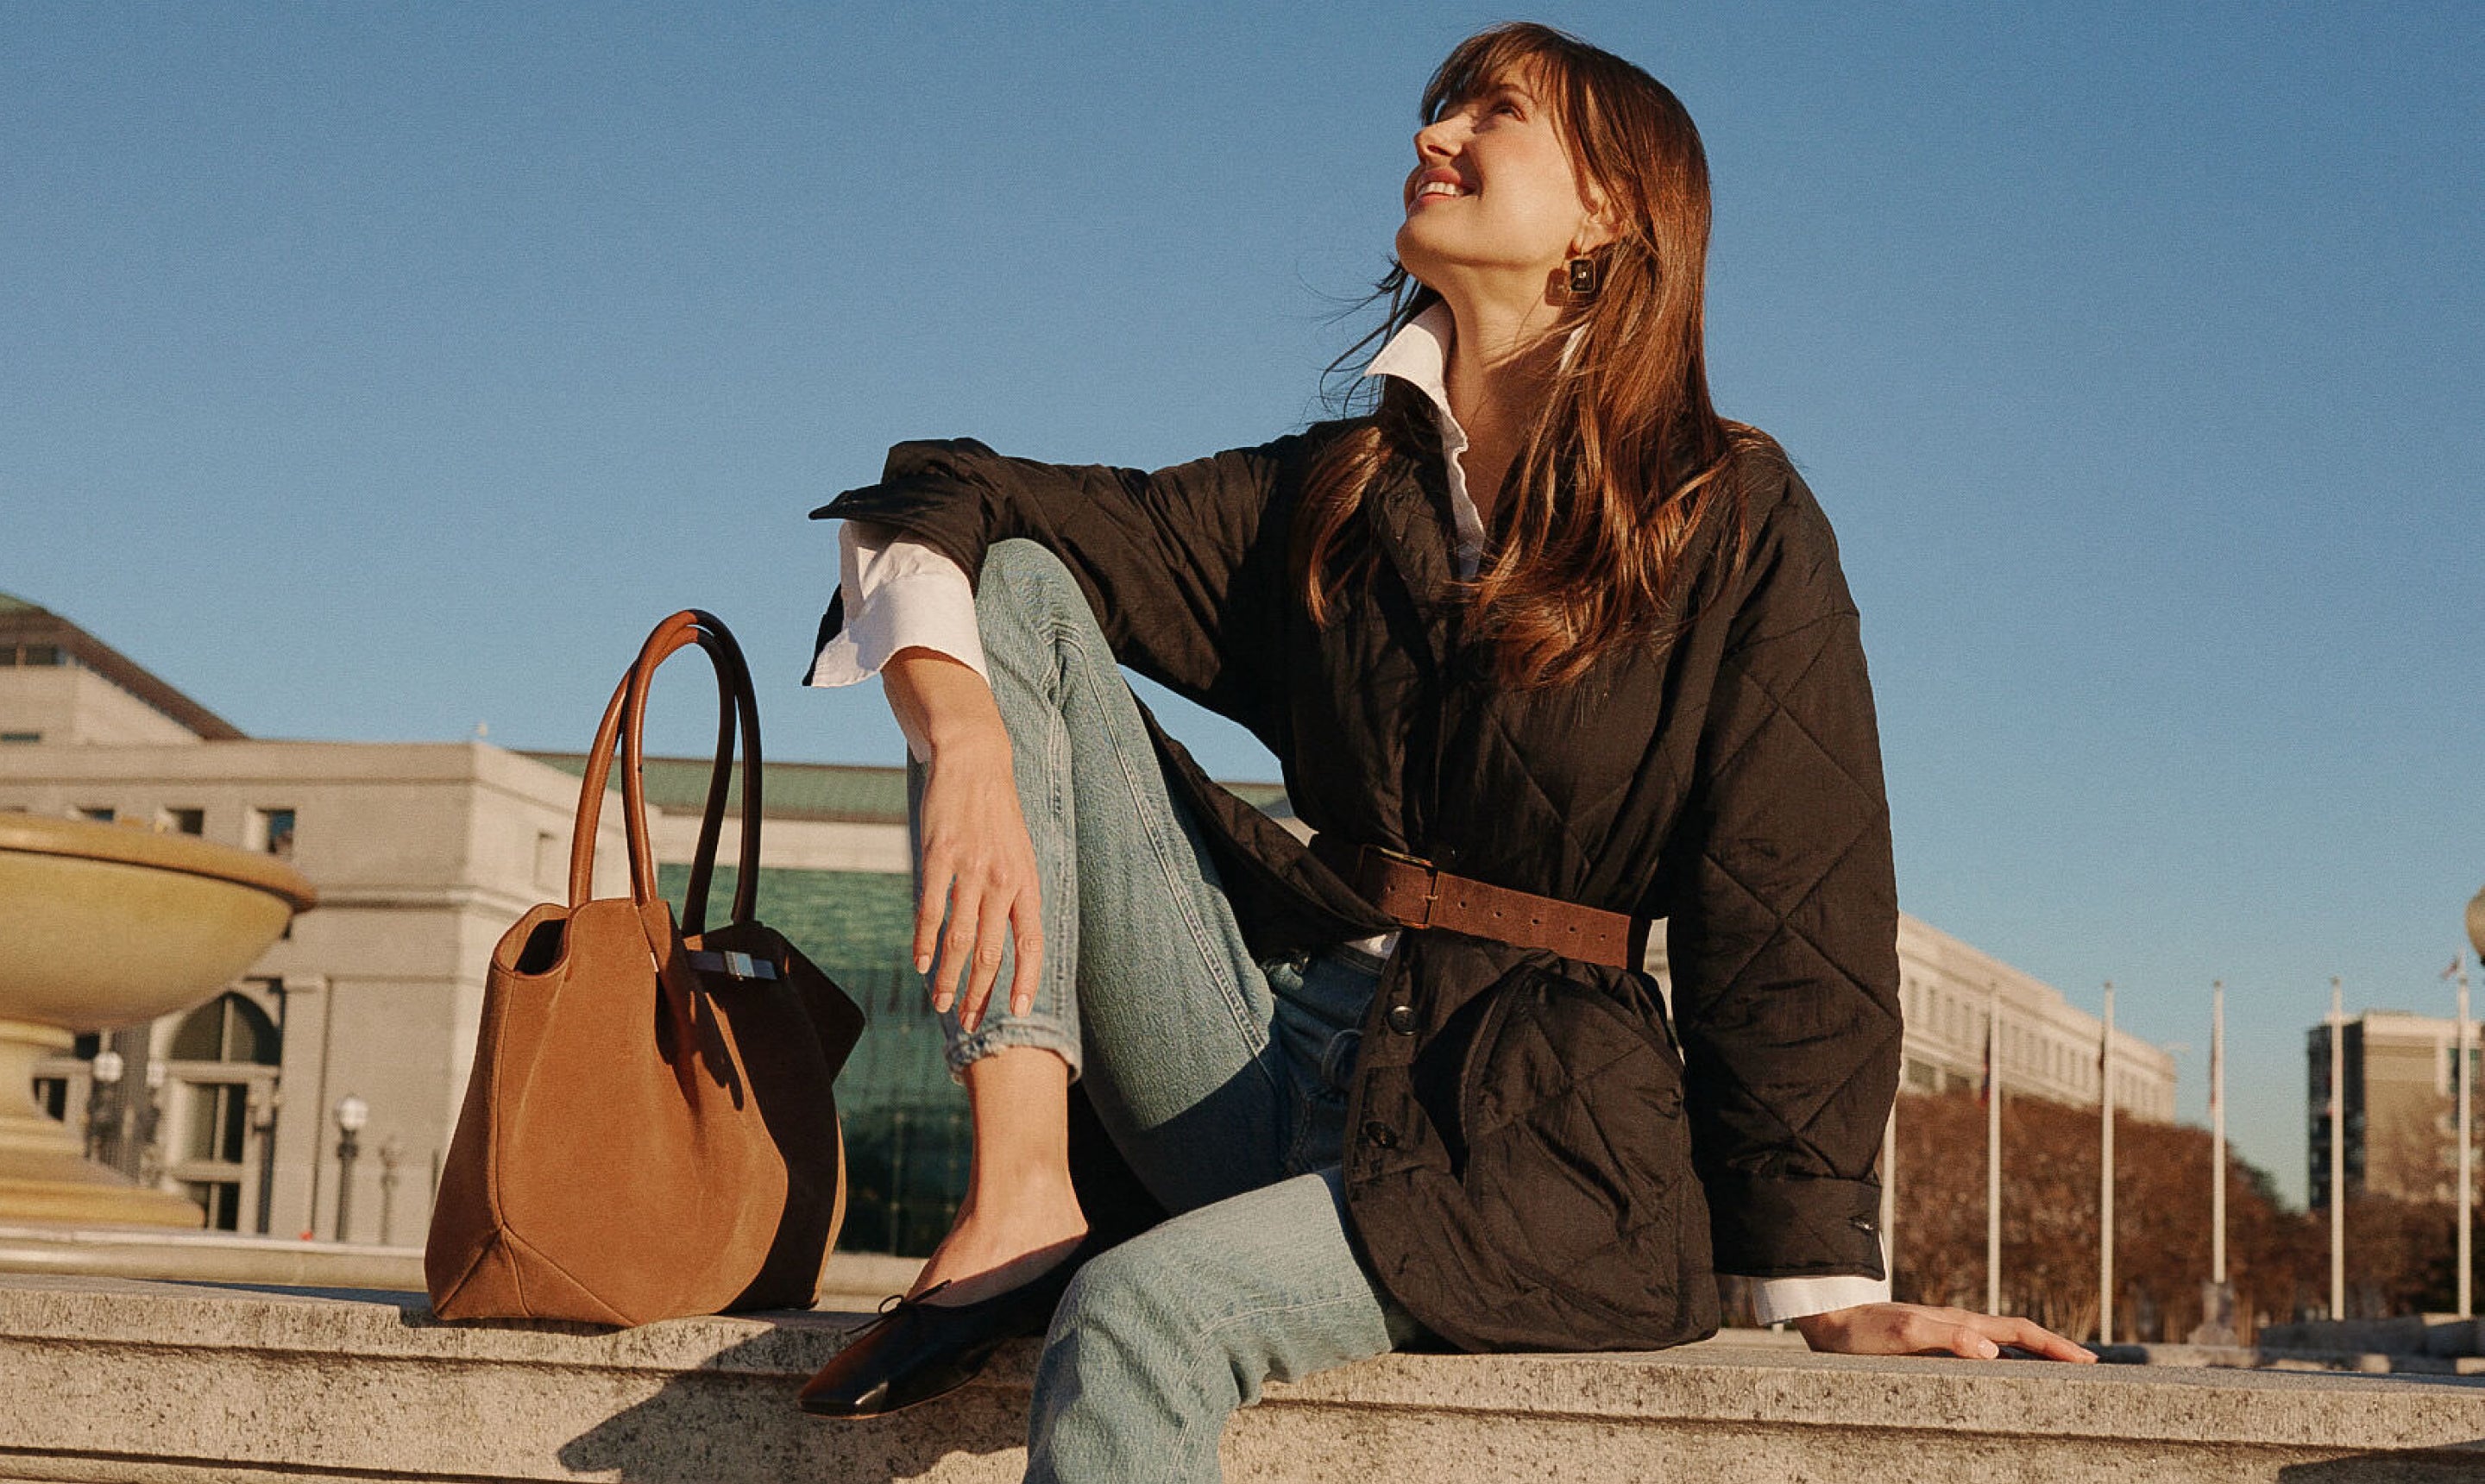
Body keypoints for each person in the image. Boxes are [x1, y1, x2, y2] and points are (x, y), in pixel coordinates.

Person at [796, 21, 2092, 1481]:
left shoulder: (1729, 512)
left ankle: (1084, 1251)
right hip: (1257, 1045)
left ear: (1611, 211)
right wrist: (964, 737)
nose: (1434, 136)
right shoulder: (1336, 491)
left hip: (1533, 1136)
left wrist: (1826, 1286)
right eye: (1439, 109)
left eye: (1495, 113)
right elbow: (943, 496)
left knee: (1144, 1312)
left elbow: (1796, 902)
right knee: (1019, 582)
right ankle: (1024, 1186)